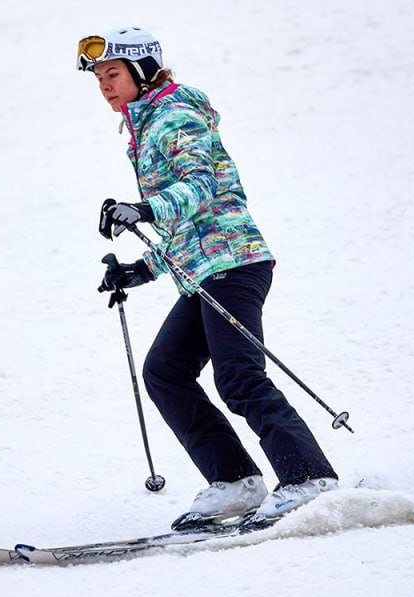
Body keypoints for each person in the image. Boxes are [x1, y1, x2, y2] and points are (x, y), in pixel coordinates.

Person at [77, 27, 340, 530]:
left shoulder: (174, 113)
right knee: (165, 372)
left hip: (235, 263)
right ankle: (236, 482)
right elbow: (189, 222)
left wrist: (144, 208)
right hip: (204, 269)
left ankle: (310, 479)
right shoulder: (146, 126)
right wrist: (140, 271)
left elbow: (201, 185)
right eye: (99, 79)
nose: (105, 86)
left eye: (112, 74)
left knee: (239, 377)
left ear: (141, 70)